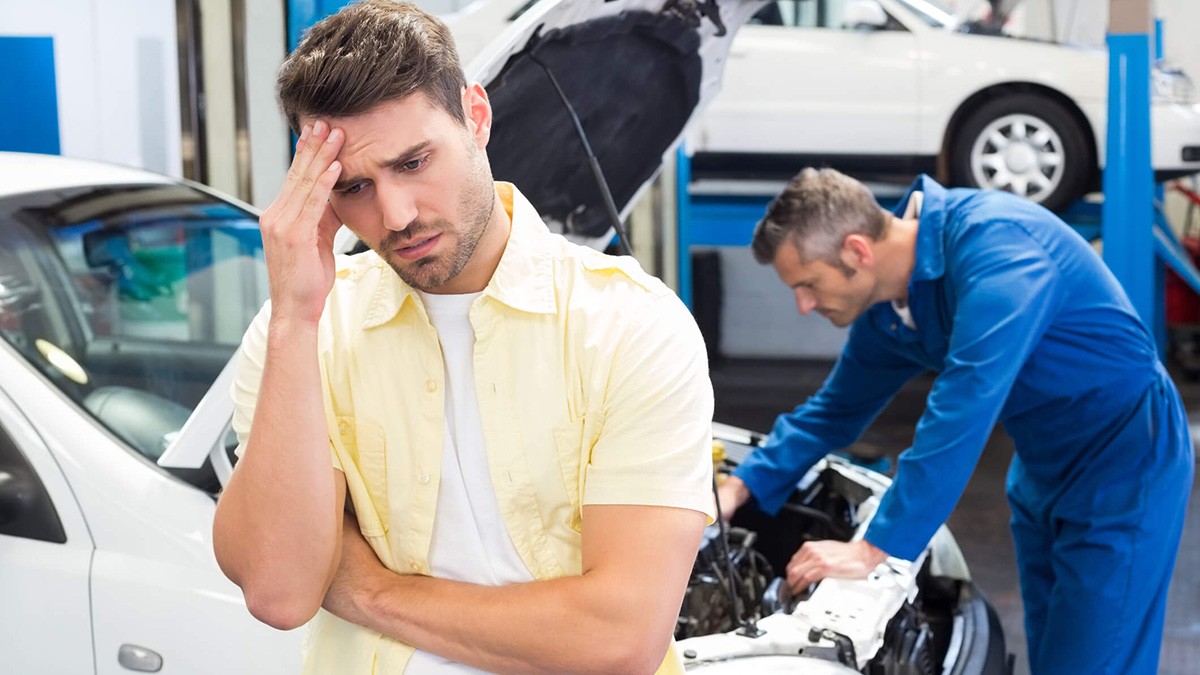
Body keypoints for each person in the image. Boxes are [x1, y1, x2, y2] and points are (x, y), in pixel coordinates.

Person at [210, 2, 715, 673]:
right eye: (354, 187)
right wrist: (293, 319)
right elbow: (278, 590)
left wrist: (368, 589)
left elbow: (619, 639)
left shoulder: (631, 325)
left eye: (414, 162)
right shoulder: (308, 331)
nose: (395, 215)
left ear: (476, 116)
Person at [717, 167, 1193, 674]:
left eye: (808, 284)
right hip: (1042, 467)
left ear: (857, 251)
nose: (804, 305)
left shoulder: (999, 252)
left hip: (1124, 461)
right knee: (1057, 655)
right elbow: (833, 410)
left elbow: (962, 409)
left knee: (1098, 660)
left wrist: (875, 547)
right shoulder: (891, 309)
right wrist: (738, 488)